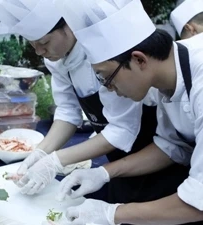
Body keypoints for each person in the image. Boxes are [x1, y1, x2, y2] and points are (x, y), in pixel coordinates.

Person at [0, 0, 188, 204]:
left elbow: (123, 128)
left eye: (45, 43)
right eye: (33, 46)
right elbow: (67, 111)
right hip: (121, 162)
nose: (40, 52)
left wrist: (57, 161)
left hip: (153, 155)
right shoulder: (60, 60)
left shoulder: (108, 58)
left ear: (70, 26)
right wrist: (41, 153)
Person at [53, 0, 203, 224]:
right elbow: (171, 146)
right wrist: (104, 173)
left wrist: (111, 213)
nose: (108, 89)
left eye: (107, 78)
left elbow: (197, 203)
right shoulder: (166, 78)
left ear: (139, 59)